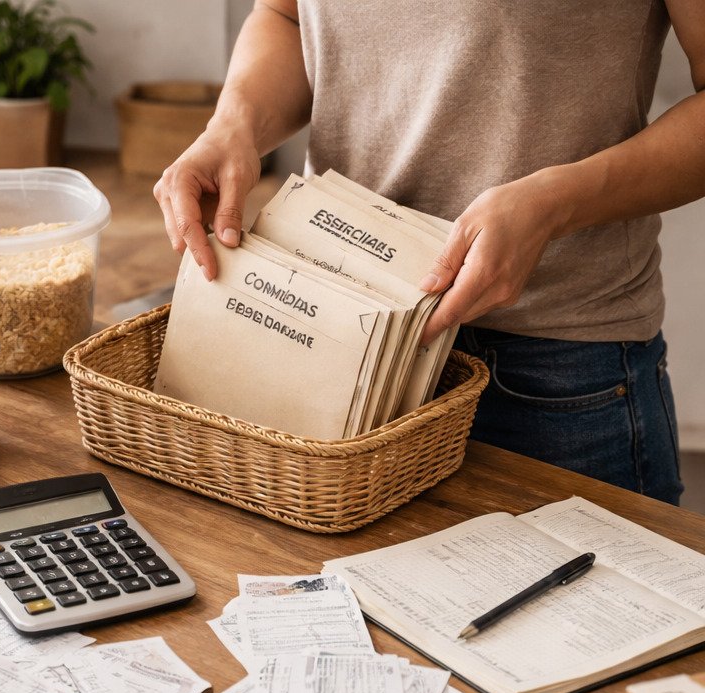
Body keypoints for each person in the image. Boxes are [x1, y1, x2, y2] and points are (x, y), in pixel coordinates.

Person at [153, 0, 705, 505]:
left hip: (546, 367)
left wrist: (553, 206)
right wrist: (234, 126)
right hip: (329, 335)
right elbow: (287, 15)